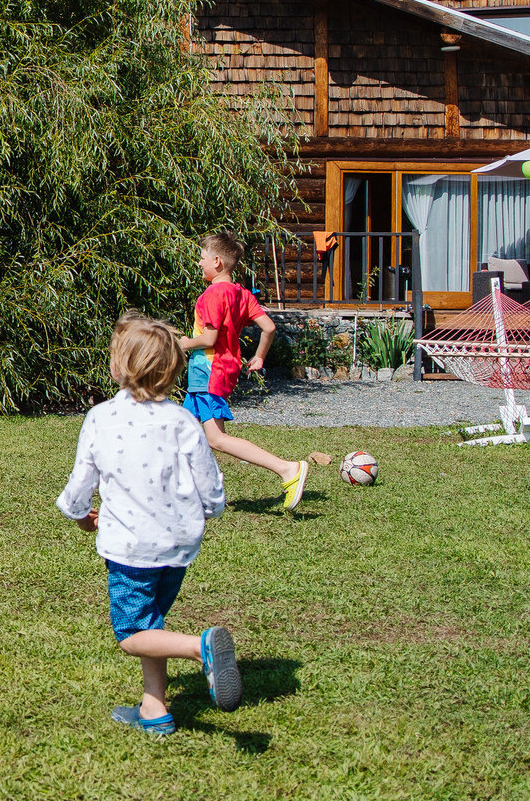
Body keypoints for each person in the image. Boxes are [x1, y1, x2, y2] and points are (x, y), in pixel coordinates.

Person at [57, 312, 244, 734]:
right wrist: (211, 510)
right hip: (177, 548)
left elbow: (81, 481)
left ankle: (201, 648)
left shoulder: (102, 418)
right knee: (150, 622)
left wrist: (77, 513)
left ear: (119, 366)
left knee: (130, 633)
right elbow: (209, 482)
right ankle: (154, 710)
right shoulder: (183, 420)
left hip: (131, 550)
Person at [178, 230, 329, 510]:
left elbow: (209, 339)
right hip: (222, 370)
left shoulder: (212, 295)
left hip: (208, 371)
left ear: (217, 262)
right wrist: (259, 357)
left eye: (201, 258)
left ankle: (286, 469)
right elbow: (269, 327)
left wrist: (182, 343)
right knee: (181, 432)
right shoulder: (241, 294)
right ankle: (192, 491)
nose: (199, 263)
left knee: (216, 439)